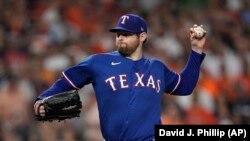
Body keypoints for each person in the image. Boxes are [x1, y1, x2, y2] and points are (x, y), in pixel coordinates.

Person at [34, 13, 207, 140]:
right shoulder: (98, 62)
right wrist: (43, 98)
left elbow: (185, 86)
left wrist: (196, 51)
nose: (120, 38)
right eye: (118, 34)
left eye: (127, 34)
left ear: (142, 36)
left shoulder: (156, 67)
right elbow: (66, 81)